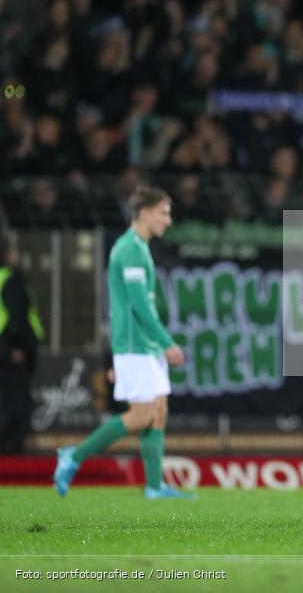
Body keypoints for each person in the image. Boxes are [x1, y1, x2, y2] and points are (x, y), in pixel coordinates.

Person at [53, 186, 193, 499]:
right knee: (140, 415)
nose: (168, 220)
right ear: (145, 213)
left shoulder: (139, 247)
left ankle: (155, 487)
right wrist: (166, 342)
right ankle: (73, 456)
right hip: (135, 344)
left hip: (143, 345)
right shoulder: (129, 249)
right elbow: (138, 305)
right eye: (164, 212)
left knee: (158, 410)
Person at [0, 236, 44, 453]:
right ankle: (12, 452)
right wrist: (19, 348)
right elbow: (17, 317)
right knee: (16, 405)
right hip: (10, 354)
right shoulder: (11, 280)